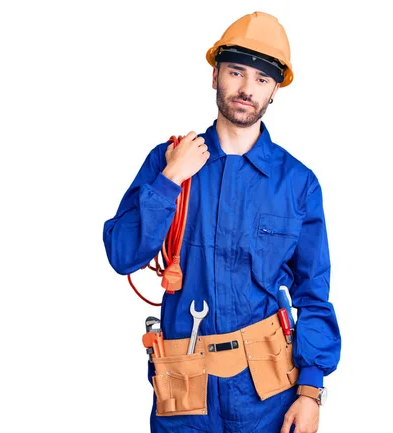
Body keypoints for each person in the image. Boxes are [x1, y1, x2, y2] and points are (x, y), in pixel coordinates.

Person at [103, 11, 341, 433]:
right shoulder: (168, 161)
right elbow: (122, 255)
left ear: (273, 92)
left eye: (262, 80)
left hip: (266, 396)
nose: (247, 89)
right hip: (184, 391)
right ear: (215, 76)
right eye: (236, 72)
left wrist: (310, 390)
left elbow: (313, 292)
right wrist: (170, 180)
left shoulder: (297, 184)